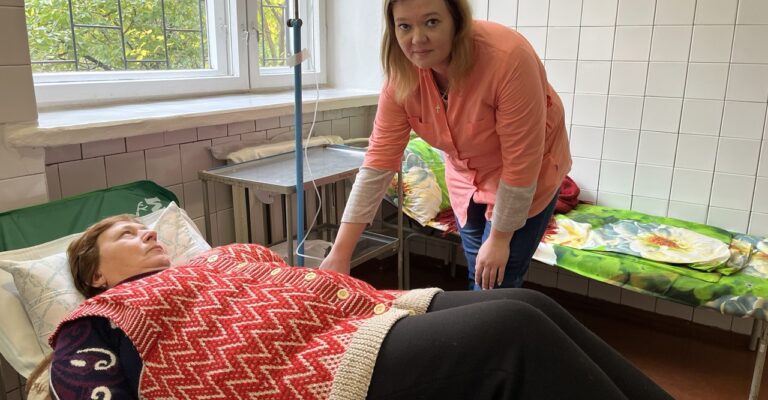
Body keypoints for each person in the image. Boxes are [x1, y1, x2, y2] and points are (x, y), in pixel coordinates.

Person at [28, 215, 671, 399]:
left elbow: (284, 280)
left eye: (146, 226)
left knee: (529, 301)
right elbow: (83, 385)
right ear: (94, 274)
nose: (147, 233)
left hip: (355, 311)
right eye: (126, 234)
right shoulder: (106, 317)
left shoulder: (214, 259)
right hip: (314, 362)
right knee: (513, 330)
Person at [319, 0, 572, 291]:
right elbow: (378, 163)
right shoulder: (401, 79)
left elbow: (521, 163)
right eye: (404, 26)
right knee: (478, 276)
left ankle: (496, 320)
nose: (417, 39)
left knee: (495, 283)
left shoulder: (508, 59)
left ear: (457, 21)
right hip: (467, 179)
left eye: (431, 22)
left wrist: (499, 239)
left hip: (527, 177)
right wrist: (340, 253)